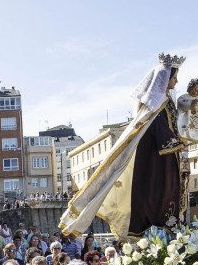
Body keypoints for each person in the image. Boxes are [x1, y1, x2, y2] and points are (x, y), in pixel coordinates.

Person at [60, 54, 187, 236]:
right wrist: (174, 143)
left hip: (168, 157)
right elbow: (154, 126)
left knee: (168, 193)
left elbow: (174, 125)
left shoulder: (167, 102)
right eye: (174, 77)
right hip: (157, 158)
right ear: (165, 79)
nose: (176, 81)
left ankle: (169, 228)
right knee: (158, 193)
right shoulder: (155, 104)